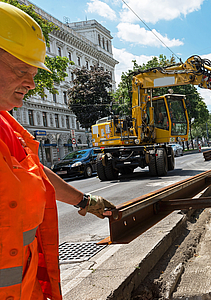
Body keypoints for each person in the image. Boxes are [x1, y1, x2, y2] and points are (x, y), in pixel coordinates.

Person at [0, 3, 115, 299]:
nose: (32, 83)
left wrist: (86, 200)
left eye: (34, 71)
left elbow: (34, 174)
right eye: (21, 69)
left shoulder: (9, 127)